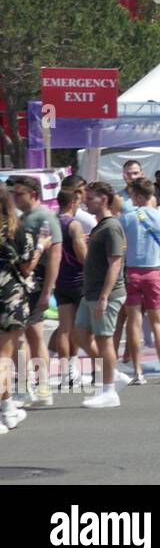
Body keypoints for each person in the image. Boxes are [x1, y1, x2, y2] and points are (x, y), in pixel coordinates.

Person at [72, 182, 127, 410]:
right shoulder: (100, 227)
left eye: (91, 198)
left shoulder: (111, 227)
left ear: (104, 199)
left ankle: (109, 391)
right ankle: (112, 373)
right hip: (91, 291)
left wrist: (105, 296)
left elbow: (116, 263)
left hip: (105, 293)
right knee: (79, 335)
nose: (86, 201)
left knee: (104, 340)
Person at [6, 175, 60, 407]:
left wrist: (48, 290)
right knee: (23, 337)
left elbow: (55, 254)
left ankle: (41, 387)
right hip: (25, 283)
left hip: (36, 283)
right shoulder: (23, 218)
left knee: (33, 335)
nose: (15, 198)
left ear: (34, 195)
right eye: (13, 194)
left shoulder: (45, 217)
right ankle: (29, 386)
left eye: (20, 194)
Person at [119, 178, 160, 385]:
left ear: (137, 195)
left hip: (132, 272)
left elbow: (120, 247)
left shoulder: (126, 218)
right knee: (156, 323)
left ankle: (137, 372)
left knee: (133, 323)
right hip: (154, 272)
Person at [0, 183, 46, 430]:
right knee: (4, 357)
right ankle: (4, 410)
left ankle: (7, 409)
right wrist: (40, 248)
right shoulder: (18, 230)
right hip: (9, 296)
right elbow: (27, 268)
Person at [53, 188, 88, 388]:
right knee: (79, 329)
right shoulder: (74, 225)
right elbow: (83, 256)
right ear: (72, 203)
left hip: (60, 279)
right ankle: (73, 369)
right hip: (78, 279)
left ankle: (66, 373)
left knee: (64, 329)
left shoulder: (52, 223)